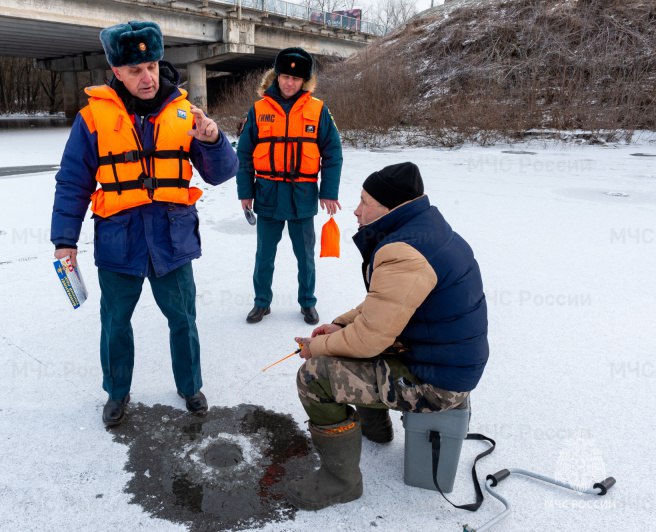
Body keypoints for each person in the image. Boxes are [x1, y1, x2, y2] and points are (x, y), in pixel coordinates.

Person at [50, 21, 238, 426]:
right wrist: (64, 239)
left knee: (183, 320)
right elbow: (72, 181)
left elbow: (221, 173)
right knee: (115, 323)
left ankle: (190, 386)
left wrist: (212, 140)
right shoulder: (92, 119)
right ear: (116, 71)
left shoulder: (186, 113)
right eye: (135, 70)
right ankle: (117, 393)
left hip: (172, 239)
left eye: (151, 65)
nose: (147, 76)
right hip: (120, 242)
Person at [285, 162, 489, 510]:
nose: (356, 209)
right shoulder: (425, 230)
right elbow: (386, 306)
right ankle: (376, 430)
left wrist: (317, 347)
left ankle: (340, 482)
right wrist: (341, 324)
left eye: (364, 201)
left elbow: (369, 341)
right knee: (347, 343)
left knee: (314, 375)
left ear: (390, 208)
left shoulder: (403, 253)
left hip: (437, 384)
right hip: (438, 360)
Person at [236, 47, 343, 326]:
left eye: (295, 79)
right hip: (268, 194)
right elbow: (244, 154)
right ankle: (262, 303)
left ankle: (307, 303)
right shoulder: (258, 110)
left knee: (305, 256)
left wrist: (329, 191)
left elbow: (333, 152)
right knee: (264, 255)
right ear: (276, 76)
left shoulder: (318, 110)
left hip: (303, 196)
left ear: (304, 82)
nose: (289, 82)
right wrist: (245, 192)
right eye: (284, 76)